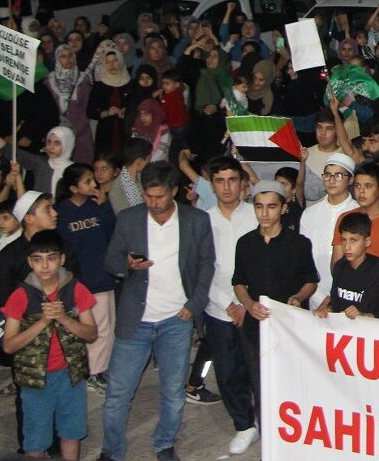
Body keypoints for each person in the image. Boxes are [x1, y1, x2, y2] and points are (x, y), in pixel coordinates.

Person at [100, 162, 216, 461]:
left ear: (173, 191)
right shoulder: (129, 219)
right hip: (135, 320)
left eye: (159, 196)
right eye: (148, 196)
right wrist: (127, 265)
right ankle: (111, 450)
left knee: (173, 392)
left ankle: (164, 443)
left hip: (176, 320)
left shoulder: (196, 220)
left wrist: (194, 305)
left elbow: (207, 264)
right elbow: (110, 259)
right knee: (117, 394)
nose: (152, 203)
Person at [0, 230, 98, 461]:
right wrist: (43, 322)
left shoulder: (75, 289)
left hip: (70, 376)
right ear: (29, 262)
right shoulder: (21, 295)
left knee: (72, 433)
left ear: (61, 259)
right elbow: (9, 346)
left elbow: (91, 334)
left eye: (51, 258)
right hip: (35, 380)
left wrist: (64, 319)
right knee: (35, 443)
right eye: (38, 259)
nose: (44, 266)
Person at [232, 182, 318, 419]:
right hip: (255, 327)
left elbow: (311, 281)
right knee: (259, 385)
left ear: (283, 208)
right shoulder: (245, 243)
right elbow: (238, 282)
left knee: (292, 384)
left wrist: (298, 297)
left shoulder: (299, 243)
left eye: (271, 207)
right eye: (259, 206)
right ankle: (266, 432)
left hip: (290, 327)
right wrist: (249, 305)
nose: (264, 213)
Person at [202, 156, 260, 456]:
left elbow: (264, 263)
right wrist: (228, 304)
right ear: (212, 185)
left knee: (259, 371)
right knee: (227, 372)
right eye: (220, 181)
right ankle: (244, 424)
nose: (226, 187)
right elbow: (201, 270)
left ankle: (266, 419)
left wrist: (245, 303)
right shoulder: (203, 221)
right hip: (218, 309)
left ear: (242, 183)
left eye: (232, 180)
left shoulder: (256, 215)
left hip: (254, 307)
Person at [52, 164, 115, 393]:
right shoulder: (61, 212)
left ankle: (98, 370)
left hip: (102, 276)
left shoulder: (97, 205)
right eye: (87, 181)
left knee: (105, 326)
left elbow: (112, 233)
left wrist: (105, 206)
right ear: (73, 188)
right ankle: (92, 373)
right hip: (76, 280)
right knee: (87, 327)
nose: (93, 184)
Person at [299, 152, 359, 309]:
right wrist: (319, 297)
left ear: (350, 179)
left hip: (351, 298)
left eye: (338, 175)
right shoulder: (310, 213)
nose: (331, 181)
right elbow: (303, 259)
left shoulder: (359, 213)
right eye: (327, 175)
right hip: (315, 296)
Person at [315, 211, 379, 320]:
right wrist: (327, 309)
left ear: (367, 241)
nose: (347, 247)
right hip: (342, 329)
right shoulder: (339, 267)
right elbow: (335, 303)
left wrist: (365, 316)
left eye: (353, 240)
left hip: (371, 330)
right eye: (343, 240)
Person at [333, 161, 379, 265]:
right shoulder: (345, 217)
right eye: (357, 186)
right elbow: (337, 264)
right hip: (349, 274)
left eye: (368, 186)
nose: (361, 191)